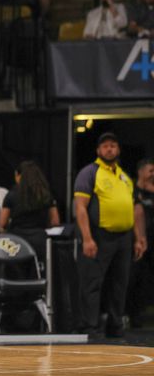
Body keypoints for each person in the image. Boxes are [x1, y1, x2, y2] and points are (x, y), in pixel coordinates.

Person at [74, 132, 146, 337]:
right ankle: (90, 326)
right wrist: (86, 238)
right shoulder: (89, 172)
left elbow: (133, 208)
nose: (109, 149)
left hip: (124, 237)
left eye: (113, 146)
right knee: (93, 283)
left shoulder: (124, 176)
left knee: (119, 284)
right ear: (98, 151)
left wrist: (139, 238)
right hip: (99, 235)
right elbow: (80, 207)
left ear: (118, 150)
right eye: (105, 146)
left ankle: (115, 325)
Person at [0, 160, 60, 257]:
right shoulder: (45, 194)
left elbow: (2, 223)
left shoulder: (11, 195)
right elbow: (55, 221)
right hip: (40, 240)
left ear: (18, 176)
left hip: (16, 242)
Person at [127, 157, 154, 327]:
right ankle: (132, 314)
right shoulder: (132, 190)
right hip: (137, 240)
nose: (153, 174)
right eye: (151, 171)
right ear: (141, 171)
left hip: (153, 241)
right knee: (135, 278)